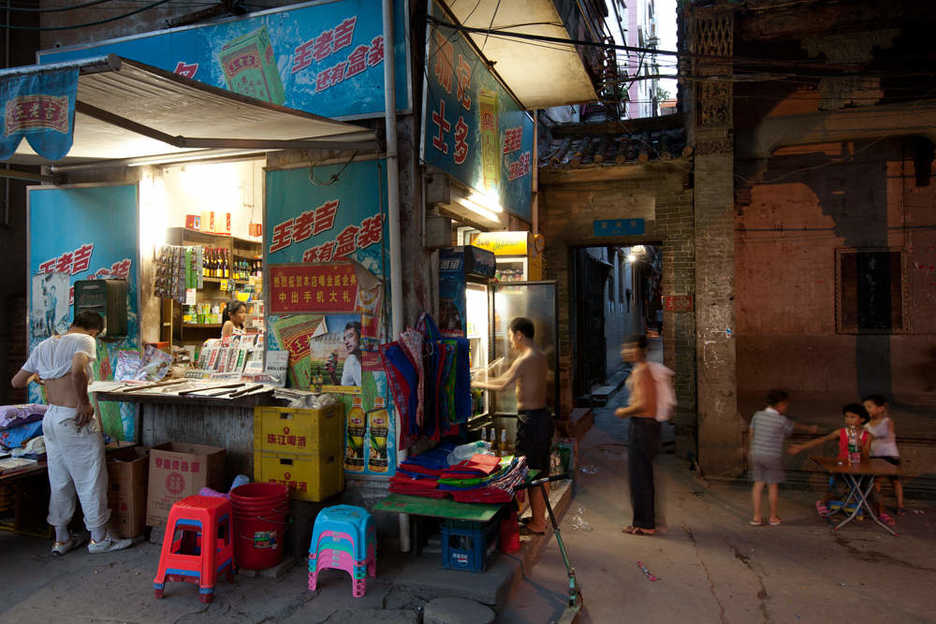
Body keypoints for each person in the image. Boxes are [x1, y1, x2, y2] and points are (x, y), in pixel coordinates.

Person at [10, 311, 133, 555]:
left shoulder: (44, 346)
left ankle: (62, 538)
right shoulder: (84, 340)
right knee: (90, 479)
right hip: (73, 418)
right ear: (93, 331)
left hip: (52, 418)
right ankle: (99, 539)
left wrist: (40, 376)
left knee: (59, 480)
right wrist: (83, 403)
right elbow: (77, 370)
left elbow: (17, 382)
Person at [472, 317, 551, 536]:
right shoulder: (539, 356)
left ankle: (529, 520)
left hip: (532, 421)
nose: (511, 342)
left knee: (526, 470)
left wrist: (477, 383)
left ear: (519, 335)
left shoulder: (526, 358)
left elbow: (503, 383)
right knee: (540, 470)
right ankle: (538, 520)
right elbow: (510, 377)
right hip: (541, 418)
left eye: (510, 336)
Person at [747, 390, 819, 527]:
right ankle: (773, 517)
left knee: (758, 485)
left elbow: (751, 433)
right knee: (773, 486)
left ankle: (756, 517)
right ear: (780, 404)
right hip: (772, 456)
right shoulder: (781, 420)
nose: (786, 408)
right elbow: (792, 427)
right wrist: (810, 428)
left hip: (756, 454)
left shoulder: (757, 415)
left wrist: (751, 450)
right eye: (786, 405)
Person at [615, 335, 663, 535]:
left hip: (642, 426)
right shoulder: (643, 369)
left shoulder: (642, 371)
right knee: (642, 476)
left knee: (639, 477)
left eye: (630, 347)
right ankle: (645, 521)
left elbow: (643, 404)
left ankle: (645, 524)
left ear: (640, 350)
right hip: (647, 426)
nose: (626, 350)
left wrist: (623, 411)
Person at [788, 403, 871, 519]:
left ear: (862, 419)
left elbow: (867, 456)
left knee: (864, 488)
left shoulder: (867, 436)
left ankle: (855, 507)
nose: (848, 420)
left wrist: (861, 447)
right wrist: (801, 447)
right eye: (846, 416)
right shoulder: (841, 432)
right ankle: (821, 503)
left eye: (852, 417)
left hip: (858, 467)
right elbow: (822, 440)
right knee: (836, 489)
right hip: (841, 466)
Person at [863, 394, 904, 522]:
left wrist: (869, 435)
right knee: (877, 482)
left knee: (895, 481)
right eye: (865, 407)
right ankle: (878, 506)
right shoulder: (867, 424)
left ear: (880, 408)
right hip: (875, 455)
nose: (867, 410)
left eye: (869, 406)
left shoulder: (887, 421)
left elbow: (886, 433)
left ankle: (900, 505)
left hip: (889, 455)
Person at [340, 321, 362, 387]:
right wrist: (332, 374)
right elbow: (345, 388)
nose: (346, 342)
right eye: (344, 339)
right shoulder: (350, 361)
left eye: (350, 336)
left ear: (361, 336)